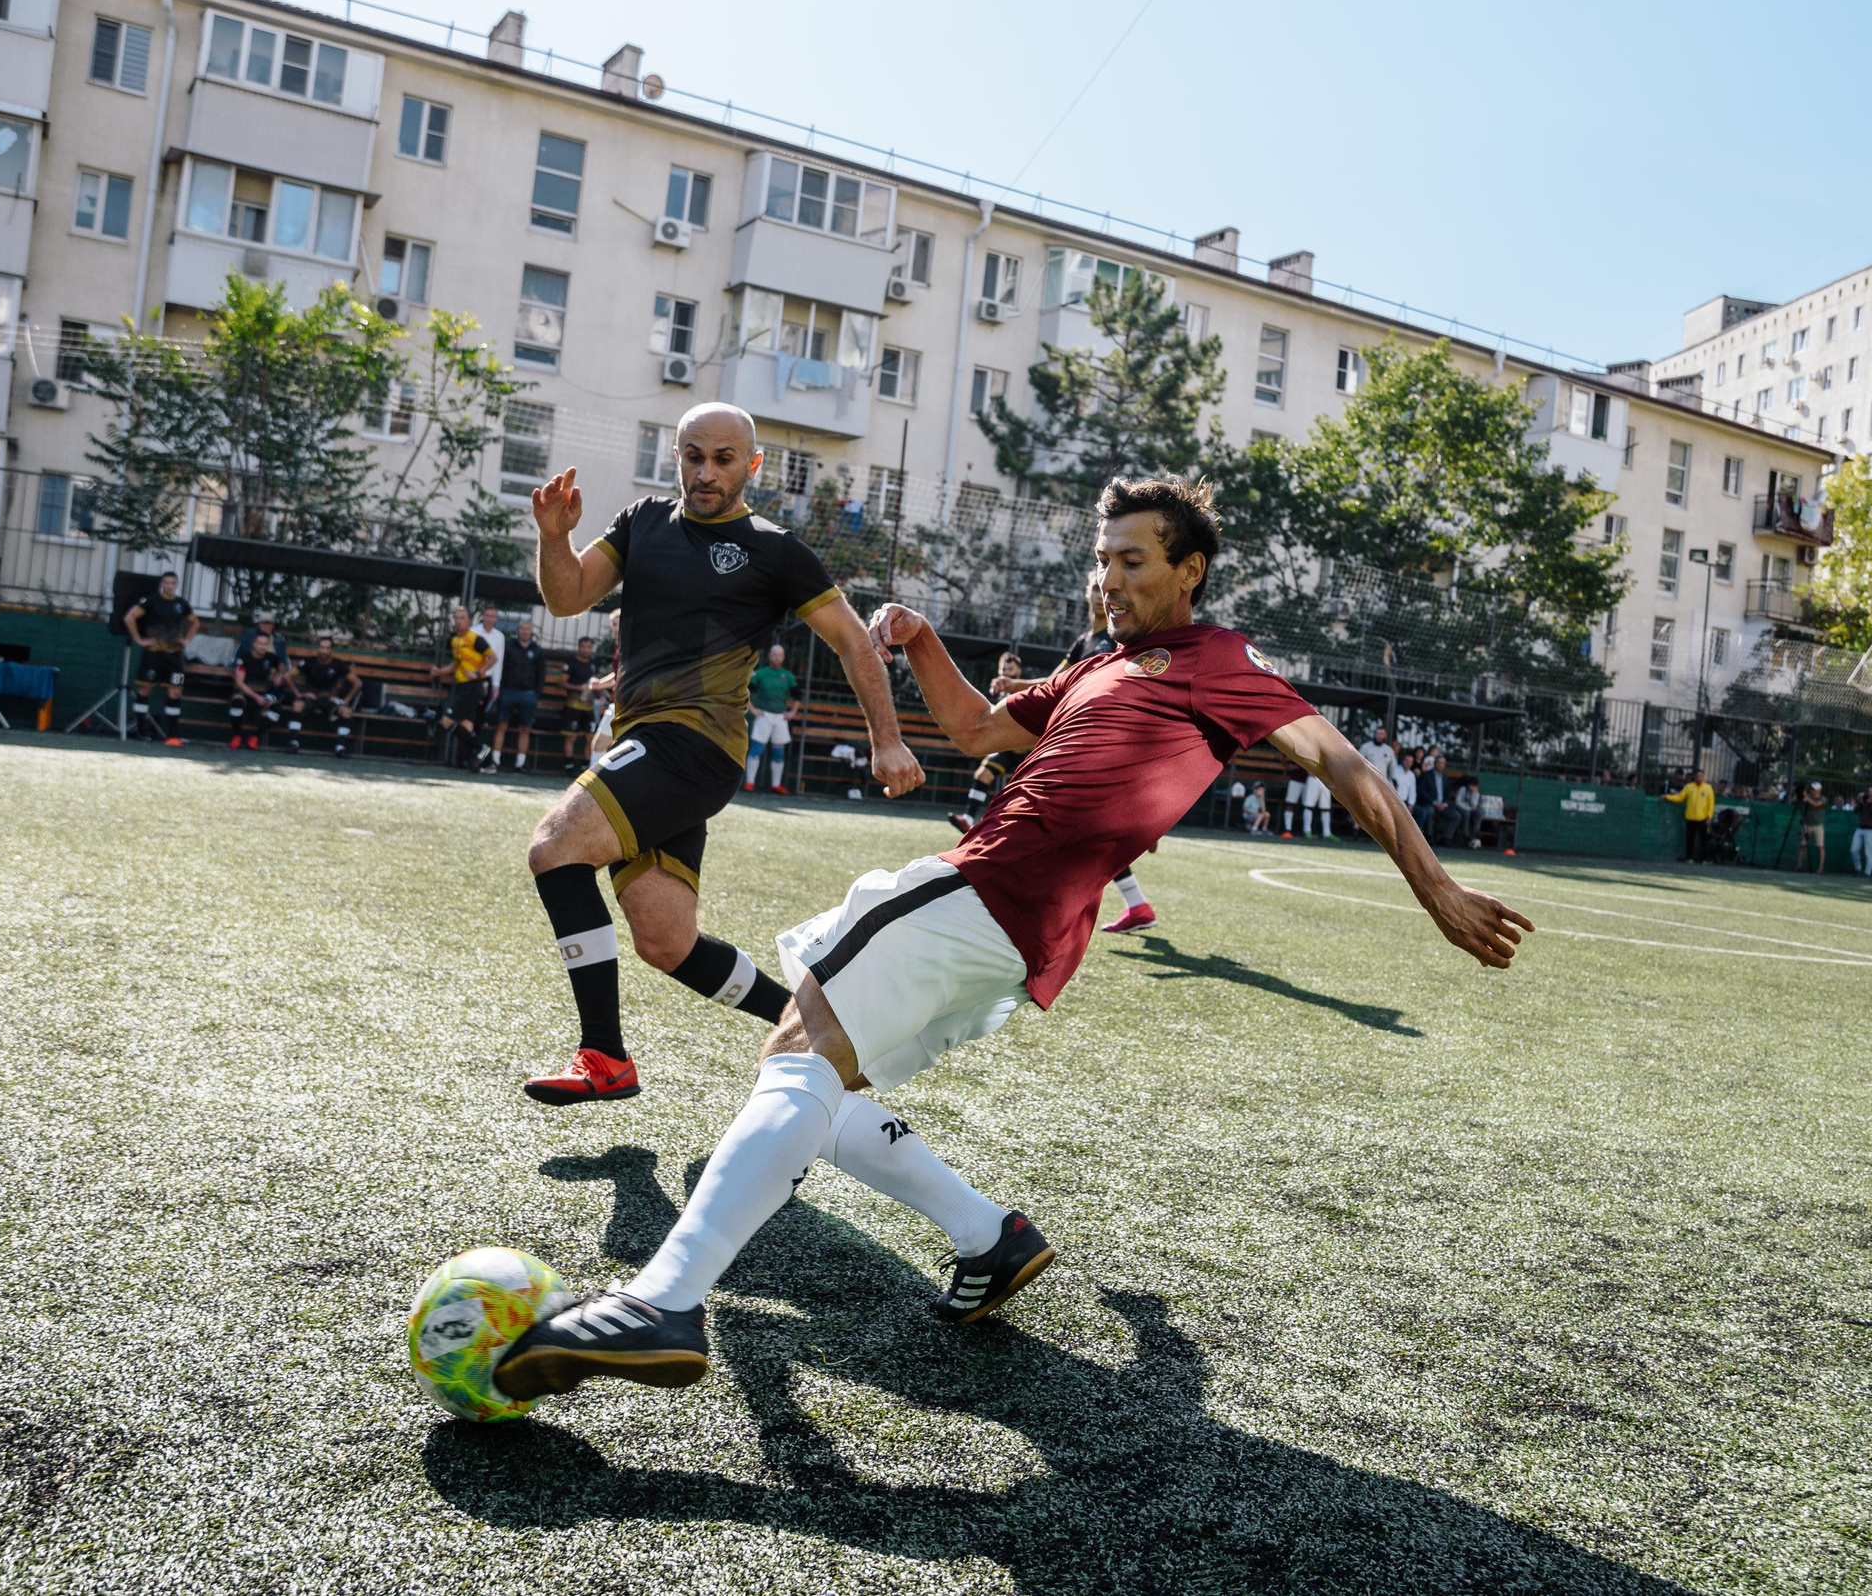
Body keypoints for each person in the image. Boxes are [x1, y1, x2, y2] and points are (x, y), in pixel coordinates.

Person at [491, 475, 1535, 1400]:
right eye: (1100, 559)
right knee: (816, 1068)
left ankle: (663, 1301)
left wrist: (1434, 885)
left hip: (988, 887)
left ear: (1189, 571)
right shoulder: (1098, 670)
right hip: (1016, 930)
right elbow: (982, 730)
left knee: (803, 1053)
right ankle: (988, 1237)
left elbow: (1341, 764)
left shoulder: (1217, 662)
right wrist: (923, 645)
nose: (1106, 579)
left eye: (1131, 561)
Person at [518, 403, 921, 1105]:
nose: (706, 472)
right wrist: (554, 536)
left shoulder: (774, 549)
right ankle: (813, 1027)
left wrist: (886, 739)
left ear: (752, 465)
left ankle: (603, 1056)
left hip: (694, 745)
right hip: (646, 740)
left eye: (724, 458)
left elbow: (855, 640)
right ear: (675, 455)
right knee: (667, 942)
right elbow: (567, 595)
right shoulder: (642, 521)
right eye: (693, 455)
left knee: (555, 847)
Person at [987, 584, 1158, 931]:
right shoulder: (1083, 641)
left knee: (1073, 828)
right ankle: (1137, 902)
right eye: (1094, 588)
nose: (1099, 594)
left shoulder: (1118, 639)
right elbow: (1055, 682)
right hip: (1079, 741)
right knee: (1088, 834)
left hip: (1098, 743)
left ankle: (1033, 907)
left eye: (1103, 588)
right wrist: (1014, 685)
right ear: (1084, 594)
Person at [949, 653, 1029, 838]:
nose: (1006, 673)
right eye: (1003, 670)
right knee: (983, 774)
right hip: (1009, 747)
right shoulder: (999, 692)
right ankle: (968, 819)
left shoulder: (1026, 689)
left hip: (1030, 749)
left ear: (1019, 671)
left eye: (1010, 670)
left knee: (1025, 789)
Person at [124, 572, 199, 746]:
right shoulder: (151, 601)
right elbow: (129, 617)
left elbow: (195, 623)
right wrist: (139, 640)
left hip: (174, 655)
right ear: (162, 584)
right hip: (153, 653)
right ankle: (143, 730)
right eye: (166, 582)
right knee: (144, 689)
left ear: (177, 585)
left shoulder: (182, 604)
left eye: (173, 583)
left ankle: (172, 735)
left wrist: (187, 639)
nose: (169, 586)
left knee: (175, 692)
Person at [431, 604, 498, 770]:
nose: (458, 621)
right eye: (456, 618)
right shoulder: (455, 641)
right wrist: (440, 671)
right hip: (461, 686)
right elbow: (456, 664)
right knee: (466, 728)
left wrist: (477, 672)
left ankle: (482, 748)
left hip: (473, 687)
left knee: (446, 722)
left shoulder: (475, 639)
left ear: (469, 621)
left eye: (462, 618)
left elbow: (493, 658)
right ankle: (488, 763)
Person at [740, 641, 802, 794]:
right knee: (756, 749)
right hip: (764, 716)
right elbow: (745, 692)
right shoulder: (760, 673)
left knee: (778, 752)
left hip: (780, 717)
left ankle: (775, 784)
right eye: (774, 654)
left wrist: (792, 713)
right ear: (769, 655)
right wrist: (753, 710)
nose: (777, 657)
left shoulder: (787, 676)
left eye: (780, 655)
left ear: (783, 657)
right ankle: (749, 783)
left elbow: (797, 697)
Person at [488, 619, 548, 773]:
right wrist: (499, 688)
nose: (525, 632)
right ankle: (495, 761)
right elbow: (500, 668)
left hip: (528, 694)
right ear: (518, 630)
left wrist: (537, 695)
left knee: (525, 728)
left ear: (531, 631)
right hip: (508, 691)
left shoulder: (538, 651)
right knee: (501, 725)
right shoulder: (508, 647)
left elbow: (541, 675)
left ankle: (520, 764)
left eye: (528, 629)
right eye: (522, 629)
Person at [287, 636, 362, 756]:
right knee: (297, 705)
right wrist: (299, 694)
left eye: (327, 648)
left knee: (346, 712)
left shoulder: (338, 664)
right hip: (311, 698)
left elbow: (357, 683)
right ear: (318, 648)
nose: (324, 651)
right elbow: (288, 676)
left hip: (330, 699)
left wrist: (345, 700)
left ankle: (340, 748)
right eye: (322, 647)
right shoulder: (309, 662)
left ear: (331, 650)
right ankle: (293, 743)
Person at [226, 628, 288, 750]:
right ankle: (237, 736)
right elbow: (239, 682)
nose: (262, 647)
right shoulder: (244, 657)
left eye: (265, 644)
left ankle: (255, 738)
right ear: (254, 644)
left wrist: (280, 674)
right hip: (245, 692)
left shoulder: (271, 657)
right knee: (237, 702)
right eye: (260, 643)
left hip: (263, 693)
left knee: (276, 708)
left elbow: (281, 665)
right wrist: (256, 696)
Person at [560, 638, 611, 767]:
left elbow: (597, 685)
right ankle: (569, 765)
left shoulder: (594, 665)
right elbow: (561, 682)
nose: (585, 649)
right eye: (583, 647)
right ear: (578, 647)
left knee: (591, 738)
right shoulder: (571, 664)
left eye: (588, 647)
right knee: (571, 737)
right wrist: (578, 688)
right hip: (573, 705)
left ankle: (586, 766)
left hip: (589, 707)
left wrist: (600, 696)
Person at [1664, 769, 1715, 862]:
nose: (1699, 778)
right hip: (1691, 818)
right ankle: (1689, 857)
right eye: (1697, 776)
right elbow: (1680, 797)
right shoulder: (1689, 787)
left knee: (1704, 839)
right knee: (1689, 839)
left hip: (1703, 818)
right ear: (1695, 777)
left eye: (1701, 776)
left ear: (1703, 777)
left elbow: (1711, 804)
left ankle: (1704, 859)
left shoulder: (1708, 788)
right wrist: (1668, 796)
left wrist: (1709, 816)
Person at [1413, 753, 1454, 845]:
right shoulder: (1426, 775)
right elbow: (1422, 792)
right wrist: (1434, 803)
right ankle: (1429, 837)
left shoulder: (1445, 778)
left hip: (1442, 806)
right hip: (1429, 804)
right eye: (1439, 762)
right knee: (1430, 811)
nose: (1440, 765)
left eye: (1443, 763)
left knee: (1456, 815)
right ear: (1435, 763)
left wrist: (1444, 804)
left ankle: (1446, 839)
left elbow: (1448, 795)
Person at [1795, 780, 1827, 873]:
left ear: (1818, 790)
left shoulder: (1822, 798)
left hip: (1818, 825)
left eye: (1814, 789)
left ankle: (1820, 868)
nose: (1812, 790)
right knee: (1803, 845)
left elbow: (1817, 805)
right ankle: (1799, 866)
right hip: (1807, 825)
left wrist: (1807, 798)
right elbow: (1797, 801)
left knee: (1820, 846)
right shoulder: (1808, 797)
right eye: (1811, 789)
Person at [1849, 786, 1872, 874]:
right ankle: (1858, 869)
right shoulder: (1864, 801)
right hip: (1860, 828)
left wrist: (1870, 803)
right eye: (1869, 791)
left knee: (1868, 852)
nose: (1870, 794)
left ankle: (1867, 872)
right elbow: (1855, 810)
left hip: (1871, 830)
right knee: (1854, 850)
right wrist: (1860, 800)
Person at [1451, 775, 1481, 847]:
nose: (1473, 787)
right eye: (1472, 785)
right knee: (1466, 813)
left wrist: (1473, 794)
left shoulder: (1476, 793)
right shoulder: (1462, 789)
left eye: (1475, 786)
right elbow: (1458, 802)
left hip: (1471, 809)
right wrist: (1467, 808)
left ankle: (1475, 832)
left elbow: (1474, 805)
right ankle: (1465, 833)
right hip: (1461, 808)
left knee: (1479, 813)